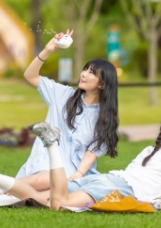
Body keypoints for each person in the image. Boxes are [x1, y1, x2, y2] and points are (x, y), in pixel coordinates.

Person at [0, 111, 161, 210]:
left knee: (47, 199)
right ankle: (52, 144)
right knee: (58, 204)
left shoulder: (150, 150)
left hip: (107, 180)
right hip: (116, 190)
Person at [16, 29, 119, 192]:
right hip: (45, 163)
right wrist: (48, 51)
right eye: (85, 69)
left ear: (102, 84)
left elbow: (91, 153)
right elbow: (30, 76)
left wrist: (78, 175)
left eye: (91, 72)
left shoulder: (105, 118)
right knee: (45, 180)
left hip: (73, 172)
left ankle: (0, 186)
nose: (83, 74)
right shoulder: (63, 95)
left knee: (50, 191)